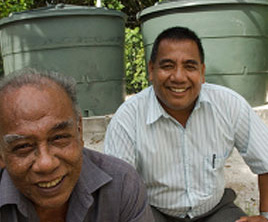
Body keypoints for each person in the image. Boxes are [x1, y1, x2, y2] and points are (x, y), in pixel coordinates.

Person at [104, 26, 268, 222]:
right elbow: (116, 190)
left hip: (215, 210)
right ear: (151, 70)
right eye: (167, 66)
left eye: (190, 66)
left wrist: (265, 216)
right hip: (154, 211)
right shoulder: (128, 118)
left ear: (202, 72)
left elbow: (265, 161)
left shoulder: (229, 105)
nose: (179, 77)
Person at [0, 68, 154, 222]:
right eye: (23, 146)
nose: (46, 163)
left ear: (79, 131)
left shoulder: (121, 186)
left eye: (58, 138)